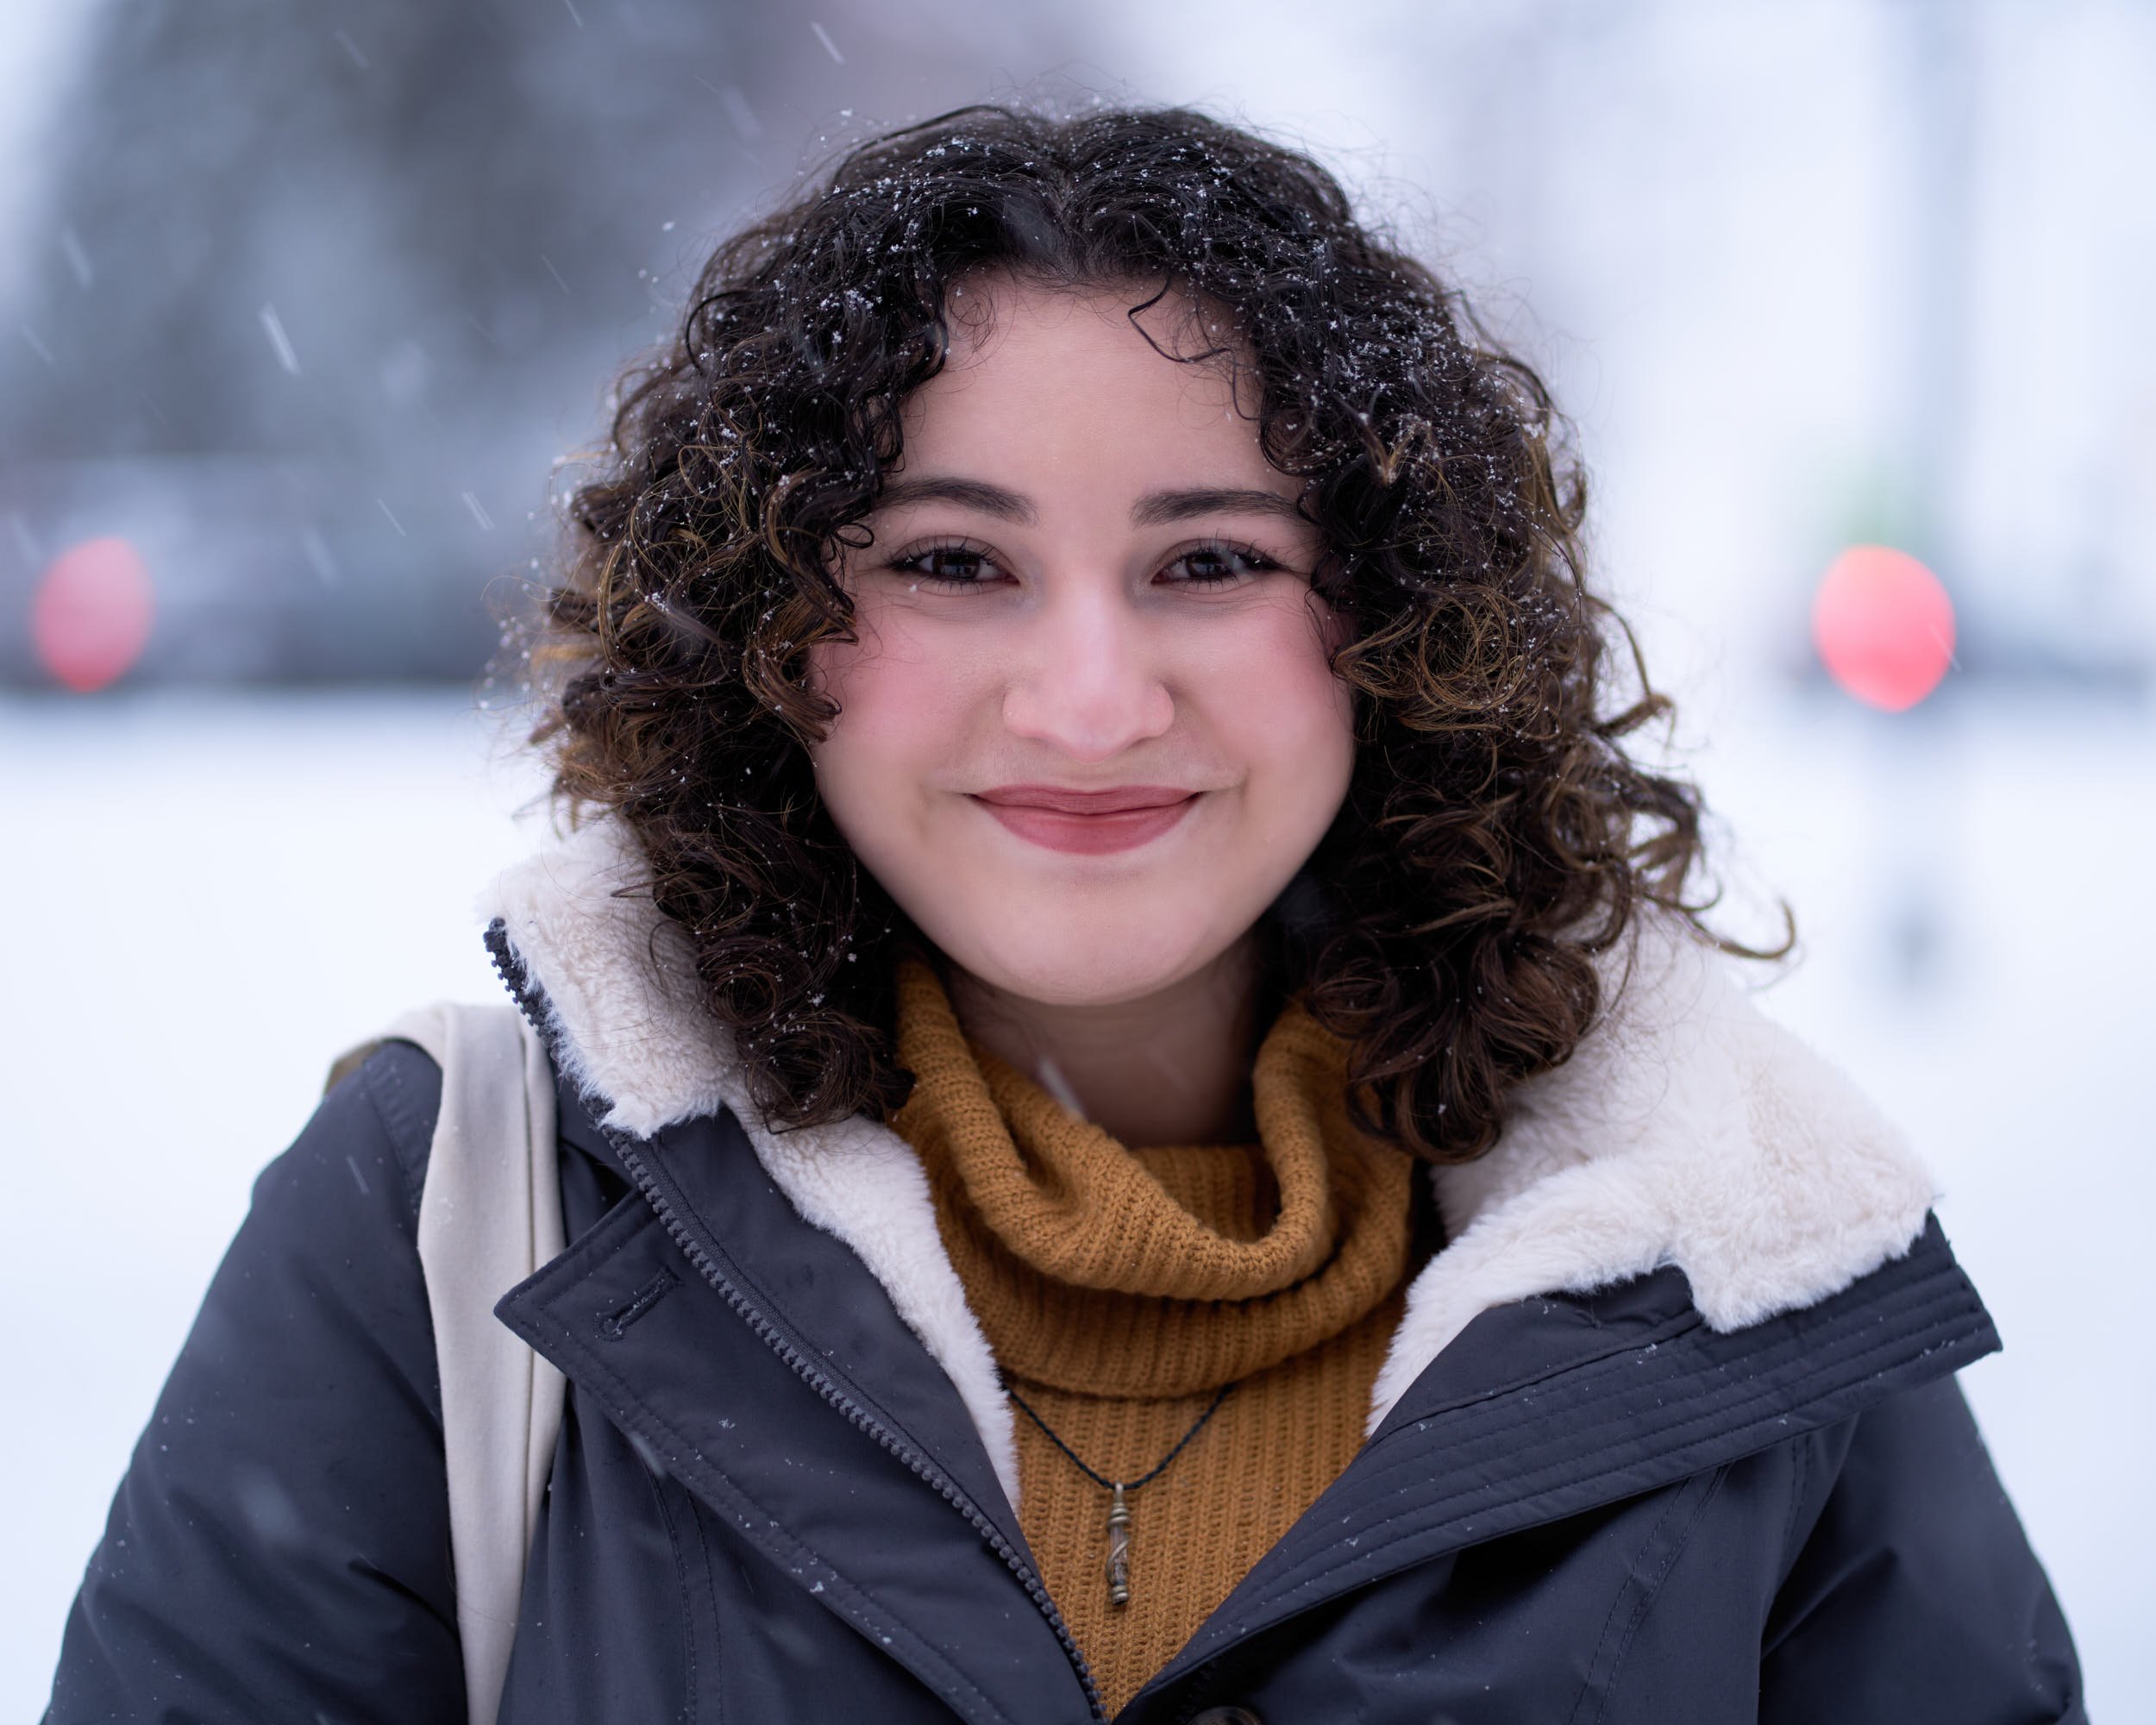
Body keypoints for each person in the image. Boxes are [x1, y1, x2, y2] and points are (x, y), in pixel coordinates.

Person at [46, 104, 2081, 1723]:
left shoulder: (1747, 1273)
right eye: (950, 560)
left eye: (1205, 561)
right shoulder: (450, 1214)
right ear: (772, 631)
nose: (1093, 699)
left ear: (1385, 625)